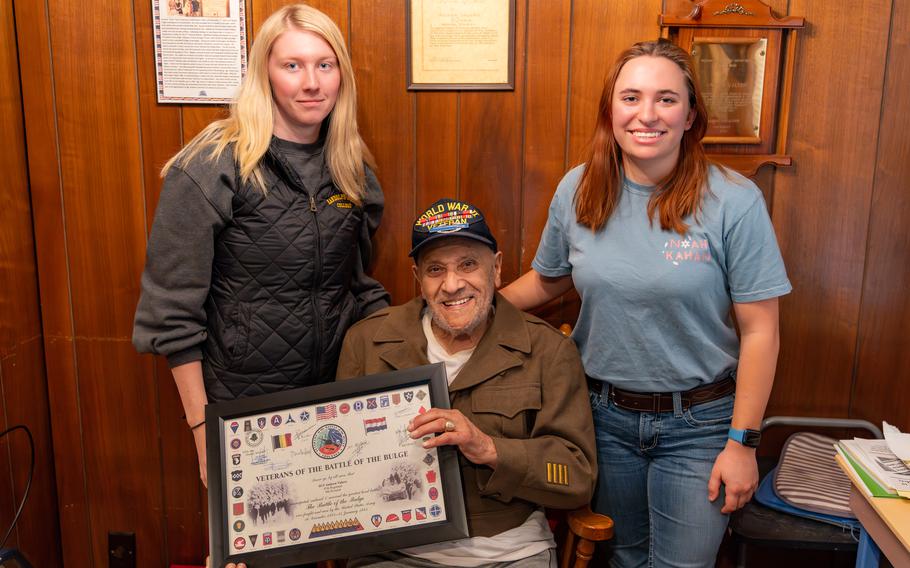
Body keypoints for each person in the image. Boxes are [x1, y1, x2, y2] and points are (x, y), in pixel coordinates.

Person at [500, 39, 792, 567]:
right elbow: (546, 283)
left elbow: (761, 331)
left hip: (701, 425)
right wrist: (467, 311)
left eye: (666, 99)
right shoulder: (579, 189)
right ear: (610, 109)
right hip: (602, 418)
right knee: (626, 559)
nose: (647, 114)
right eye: (631, 97)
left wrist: (743, 444)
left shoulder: (734, 200)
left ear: (690, 114)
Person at [133, 3, 389, 489]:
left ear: (341, 75)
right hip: (243, 411)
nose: (311, 82)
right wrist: (203, 428)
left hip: (336, 403)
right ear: (264, 75)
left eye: (324, 64)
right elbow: (170, 315)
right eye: (292, 65)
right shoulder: (213, 164)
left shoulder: (352, 168)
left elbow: (356, 286)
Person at [338, 199, 596, 567]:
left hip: (509, 552)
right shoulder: (367, 342)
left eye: (468, 264)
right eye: (435, 269)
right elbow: (339, 464)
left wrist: (489, 448)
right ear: (418, 278)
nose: (452, 284)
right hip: (394, 552)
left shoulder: (547, 350)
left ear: (497, 269)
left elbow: (576, 476)